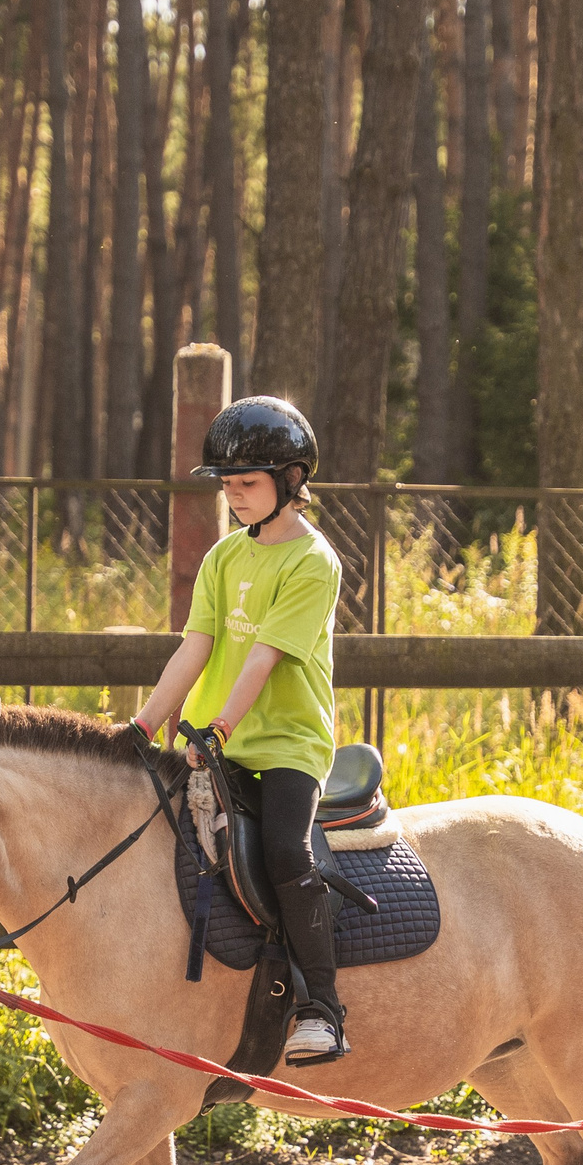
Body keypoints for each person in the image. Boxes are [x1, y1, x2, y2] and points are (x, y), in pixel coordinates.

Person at [133, 396, 349, 1064]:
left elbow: (262, 658)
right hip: (212, 745)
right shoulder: (226, 558)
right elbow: (195, 647)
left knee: (286, 851)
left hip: (285, 744)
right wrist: (141, 724)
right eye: (227, 486)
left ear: (292, 479)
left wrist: (221, 724)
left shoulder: (314, 563)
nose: (235, 498)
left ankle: (323, 1009)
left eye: (247, 484)